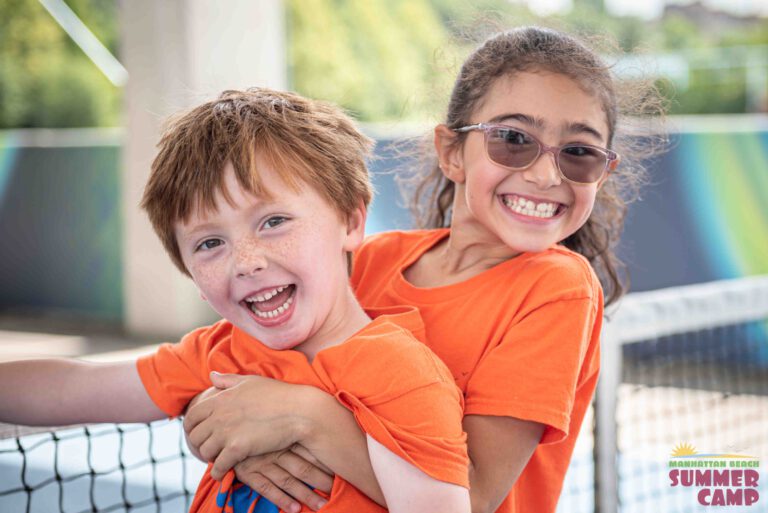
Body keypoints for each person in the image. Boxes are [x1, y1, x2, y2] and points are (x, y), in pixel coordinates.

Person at [182, 26, 666, 513]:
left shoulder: (559, 290)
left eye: (579, 153)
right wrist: (219, 420)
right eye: (513, 139)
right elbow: (240, 370)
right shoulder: (371, 259)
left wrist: (302, 421)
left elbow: (470, 498)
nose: (545, 175)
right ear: (452, 152)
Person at [0, 88, 472, 513]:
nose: (245, 262)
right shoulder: (219, 354)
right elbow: (73, 388)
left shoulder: (399, 374)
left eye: (274, 222)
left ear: (350, 224)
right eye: (209, 244)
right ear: (191, 274)